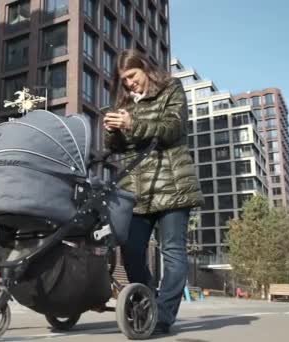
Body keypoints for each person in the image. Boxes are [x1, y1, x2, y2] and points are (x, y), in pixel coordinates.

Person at [103, 49, 204, 334]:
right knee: (131, 250)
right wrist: (112, 129)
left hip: (172, 185)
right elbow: (116, 147)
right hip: (136, 190)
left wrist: (132, 124)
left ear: (145, 69)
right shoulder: (126, 104)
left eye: (132, 77)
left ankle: (164, 315)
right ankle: (149, 304)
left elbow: (172, 127)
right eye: (124, 81)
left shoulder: (171, 88)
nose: (129, 84)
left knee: (173, 252)